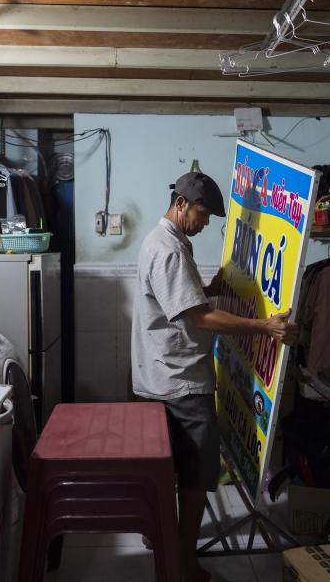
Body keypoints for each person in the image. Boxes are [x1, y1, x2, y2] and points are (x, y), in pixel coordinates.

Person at [131, 171, 298, 582]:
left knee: (167, 467)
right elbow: (199, 317)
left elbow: (177, 300)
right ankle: (185, 563)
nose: (206, 223)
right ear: (181, 203)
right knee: (195, 477)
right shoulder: (169, 250)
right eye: (203, 213)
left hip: (158, 376)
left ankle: (159, 538)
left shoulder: (164, 242)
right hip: (180, 382)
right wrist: (266, 328)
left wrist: (209, 285)